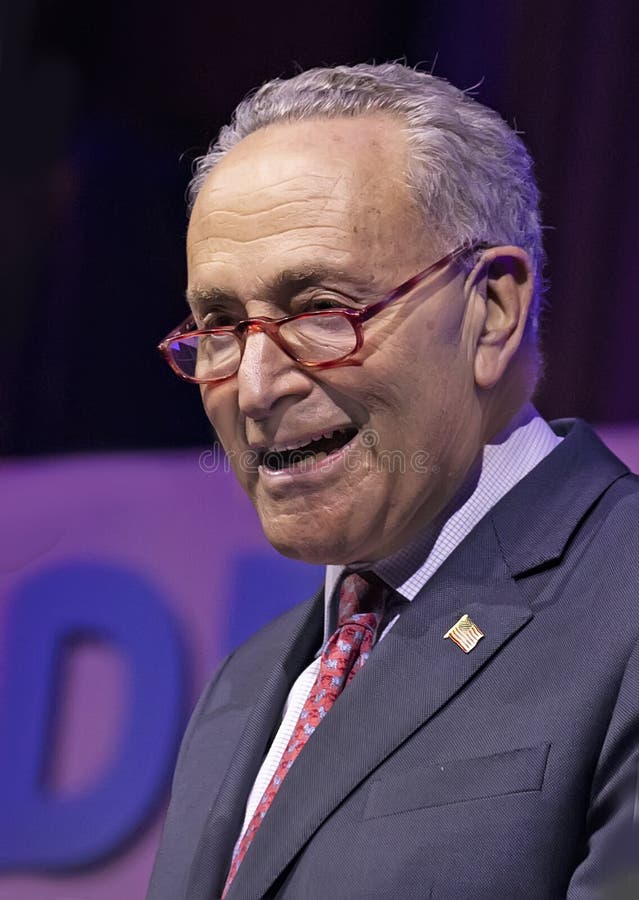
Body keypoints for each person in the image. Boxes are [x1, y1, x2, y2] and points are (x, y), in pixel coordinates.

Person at [148, 63, 639, 899]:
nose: (258, 385)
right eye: (222, 327)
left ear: (491, 313)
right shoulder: (246, 686)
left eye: (320, 310)